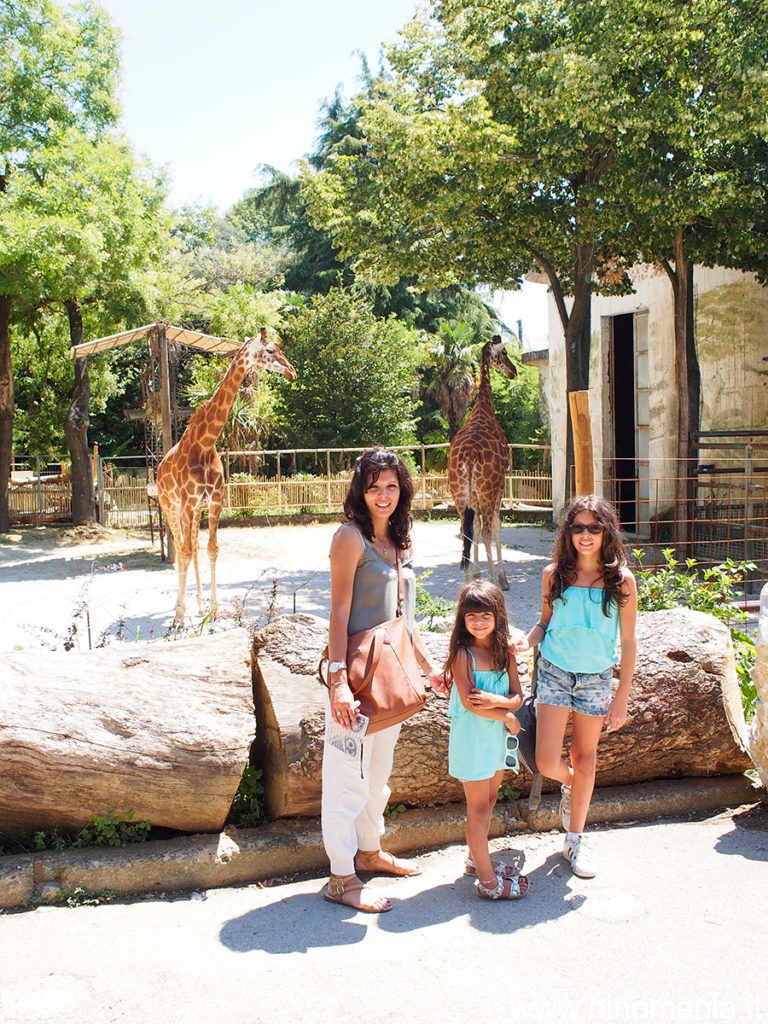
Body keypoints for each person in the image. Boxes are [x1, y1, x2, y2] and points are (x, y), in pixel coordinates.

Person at [321, 447, 445, 913]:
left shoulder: (401, 544)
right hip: (353, 680)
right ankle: (340, 875)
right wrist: (337, 684)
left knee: (377, 774)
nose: (383, 495)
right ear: (361, 490)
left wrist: (430, 666)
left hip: (390, 678)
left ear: (402, 490)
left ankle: (369, 850)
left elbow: (404, 621)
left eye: (391, 486)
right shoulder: (348, 538)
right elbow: (337, 613)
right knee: (344, 777)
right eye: (374, 486)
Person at [521, 494, 637, 879]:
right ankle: (575, 787)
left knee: (586, 758)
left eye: (594, 528)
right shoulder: (553, 574)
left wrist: (621, 698)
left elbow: (630, 642)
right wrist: (527, 640)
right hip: (554, 672)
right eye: (577, 528)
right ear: (567, 532)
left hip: (596, 678)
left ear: (607, 532)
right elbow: (544, 622)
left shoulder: (621, 581)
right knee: (547, 761)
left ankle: (575, 838)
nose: (585, 535)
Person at [444, 580, 530, 901]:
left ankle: (474, 858)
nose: (478, 622)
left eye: (485, 615)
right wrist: (505, 714)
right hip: (473, 738)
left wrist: (503, 704)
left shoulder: (503, 651)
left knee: (490, 800)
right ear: (462, 620)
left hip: (495, 738)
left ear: (498, 616)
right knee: (478, 809)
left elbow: (517, 695)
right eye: (471, 616)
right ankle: (488, 881)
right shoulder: (463, 655)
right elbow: (470, 703)